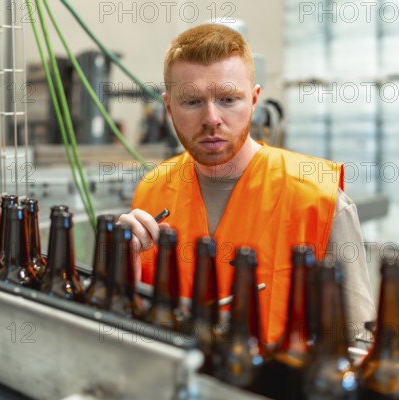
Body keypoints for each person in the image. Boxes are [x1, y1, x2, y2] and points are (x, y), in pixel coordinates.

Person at [118, 23, 376, 344]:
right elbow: (135, 317)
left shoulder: (320, 201)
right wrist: (122, 265)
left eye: (228, 99)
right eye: (192, 102)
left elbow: (359, 342)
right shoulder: (152, 190)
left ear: (254, 100)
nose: (211, 118)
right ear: (169, 107)